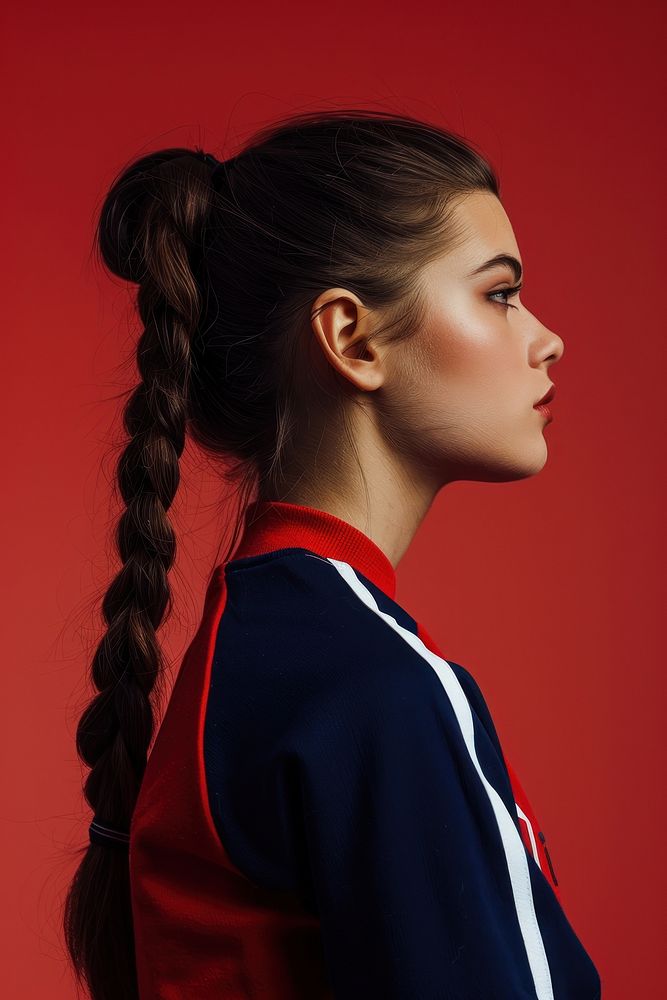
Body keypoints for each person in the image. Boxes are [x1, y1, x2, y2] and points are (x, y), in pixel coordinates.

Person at [63, 109, 601, 999]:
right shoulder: (372, 687)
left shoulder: (259, 657)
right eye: (498, 295)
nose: (545, 338)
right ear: (351, 338)